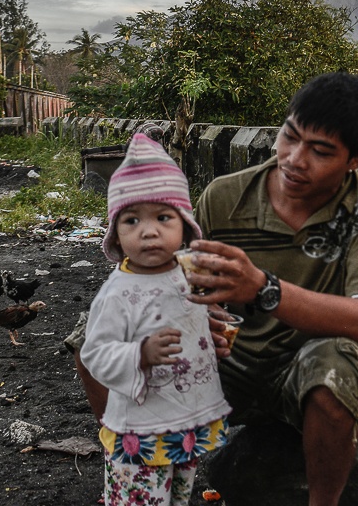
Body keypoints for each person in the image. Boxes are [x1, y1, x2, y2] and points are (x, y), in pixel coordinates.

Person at [185, 72, 358, 506]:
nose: (294, 159)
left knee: (338, 364)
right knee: (102, 333)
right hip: (229, 366)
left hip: (306, 368)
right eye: (290, 136)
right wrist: (193, 318)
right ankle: (139, 480)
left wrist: (262, 287)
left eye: (320, 151)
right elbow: (177, 282)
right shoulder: (224, 196)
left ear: (356, 159)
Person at [79, 133, 231, 506]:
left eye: (163, 217)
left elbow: (198, 320)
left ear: (185, 225)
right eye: (132, 220)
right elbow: (94, 354)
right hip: (142, 431)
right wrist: (140, 354)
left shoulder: (189, 274)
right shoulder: (118, 293)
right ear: (115, 234)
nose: (149, 230)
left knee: (179, 498)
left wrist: (214, 334)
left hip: (186, 420)